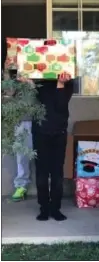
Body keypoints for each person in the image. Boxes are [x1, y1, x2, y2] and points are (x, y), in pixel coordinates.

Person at [24, 73, 74, 221]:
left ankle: (55, 208)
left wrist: (61, 84)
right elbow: (33, 103)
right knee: (42, 173)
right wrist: (28, 83)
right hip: (40, 132)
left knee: (57, 173)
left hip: (59, 133)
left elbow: (60, 105)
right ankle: (44, 208)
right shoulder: (39, 80)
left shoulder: (68, 82)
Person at [2, 37, 32, 201]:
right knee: (22, 155)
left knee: (46, 156)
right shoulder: (14, 75)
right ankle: (21, 186)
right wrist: (6, 71)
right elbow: (8, 93)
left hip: (42, 120)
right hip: (22, 120)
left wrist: (31, 81)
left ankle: (48, 187)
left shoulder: (40, 70)